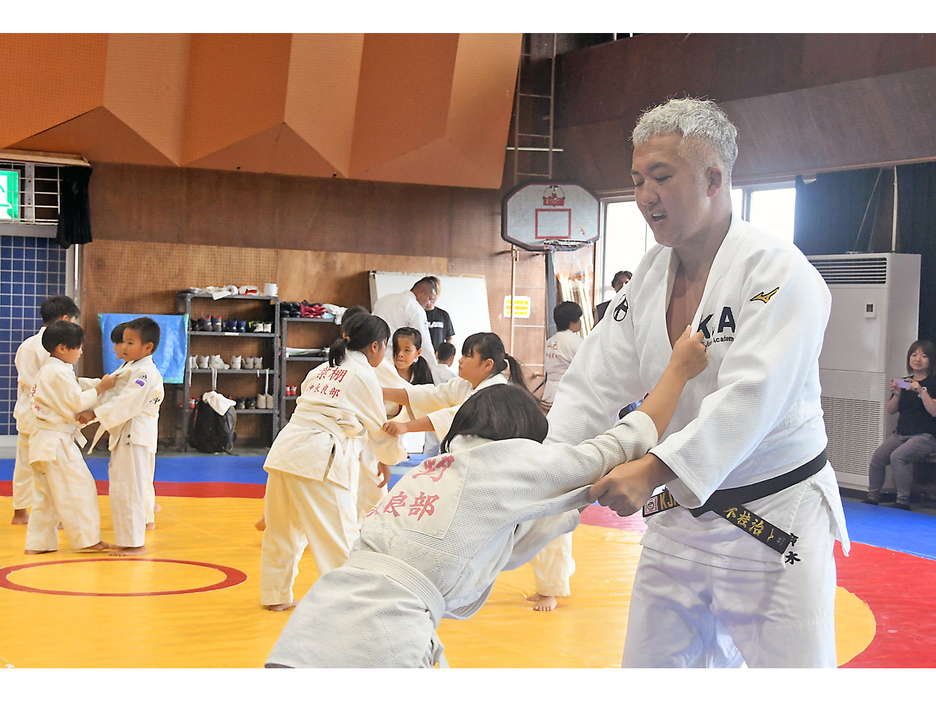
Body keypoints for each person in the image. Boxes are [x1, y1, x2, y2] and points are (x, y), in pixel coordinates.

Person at [548, 97, 849, 668]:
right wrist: (547, 465)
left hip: (773, 517)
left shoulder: (779, 272)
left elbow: (752, 397)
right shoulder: (648, 275)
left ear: (714, 178)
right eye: (636, 180)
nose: (643, 196)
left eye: (661, 177)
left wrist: (654, 468)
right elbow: (591, 383)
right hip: (678, 520)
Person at [264, 328, 707, 668]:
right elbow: (625, 439)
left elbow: (501, 546)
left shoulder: (428, 472)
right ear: (522, 441)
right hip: (380, 640)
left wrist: (578, 500)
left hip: (306, 636)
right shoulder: (508, 463)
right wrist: (679, 372)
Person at [259, 313, 407, 611]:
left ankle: (276, 596)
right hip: (319, 458)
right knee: (340, 536)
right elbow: (378, 427)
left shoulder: (321, 369)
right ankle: (351, 604)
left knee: (282, 530)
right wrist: (389, 458)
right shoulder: (363, 375)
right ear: (376, 346)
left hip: (286, 450)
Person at [24, 320, 116, 554]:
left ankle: (38, 544)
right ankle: (88, 541)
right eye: (78, 346)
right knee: (79, 488)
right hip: (56, 443)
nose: (81, 351)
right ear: (62, 348)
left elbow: (72, 392)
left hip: (43, 442)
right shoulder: (56, 372)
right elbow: (75, 402)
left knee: (46, 497)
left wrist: (97, 386)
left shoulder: (52, 370)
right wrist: (101, 388)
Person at [78, 318, 164, 556]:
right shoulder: (131, 367)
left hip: (134, 437)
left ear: (148, 347)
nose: (124, 346)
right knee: (121, 488)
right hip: (126, 436)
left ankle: (136, 543)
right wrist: (80, 386)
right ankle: (128, 540)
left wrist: (93, 413)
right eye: (123, 341)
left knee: (131, 488)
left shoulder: (145, 373)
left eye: (130, 342)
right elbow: (111, 391)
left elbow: (126, 402)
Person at [527, 300, 585, 612]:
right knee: (549, 501)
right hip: (560, 406)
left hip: (556, 406)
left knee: (555, 504)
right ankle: (547, 586)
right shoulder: (576, 342)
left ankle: (552, 587)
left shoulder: (552, 341)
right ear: (576, 321)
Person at [11, 295, 81, 526]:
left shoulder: (26, 345)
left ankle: (20, 513)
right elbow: (58, 387)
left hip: (26, 411)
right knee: (54, 468)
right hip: (46, 416)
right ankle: (59, 516)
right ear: (64, 318)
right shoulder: (56, 348)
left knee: (24, 465)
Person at [382, 332, 526, 442]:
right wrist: (381, 392)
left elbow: (453, 416)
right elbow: (431, 395)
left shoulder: (495, 392)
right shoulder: (465, 383)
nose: (460, 361)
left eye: (468, 356)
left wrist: (406, 427)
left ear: (488, 364)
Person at [864, 340, 936, 510]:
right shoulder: (905, 382)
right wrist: (896, 394)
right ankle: (873, 496)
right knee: (878, 458)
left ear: (931, 360)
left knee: (898, 457)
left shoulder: (932, 383)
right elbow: (890, 410)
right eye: (914, 354)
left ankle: (903, 500)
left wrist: (921, 391)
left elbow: (933, 411)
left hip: (925, 436)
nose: (918, 359)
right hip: (901, 433)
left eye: (923, 356)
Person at [372, 276, 442, 381]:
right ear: (421, 291)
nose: (429, 305)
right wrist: (434, 374)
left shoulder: (384, 299)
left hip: (374, 357)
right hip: (397, 361)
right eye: (430, 299)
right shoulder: (415, 308)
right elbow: (424, 344)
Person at [424, 277, 455, 351]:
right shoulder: (416, 313)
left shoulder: (443, 315)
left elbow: (450, 337)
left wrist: (445, 354)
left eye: (435, 294)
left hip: (437, 359)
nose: (432, 299)